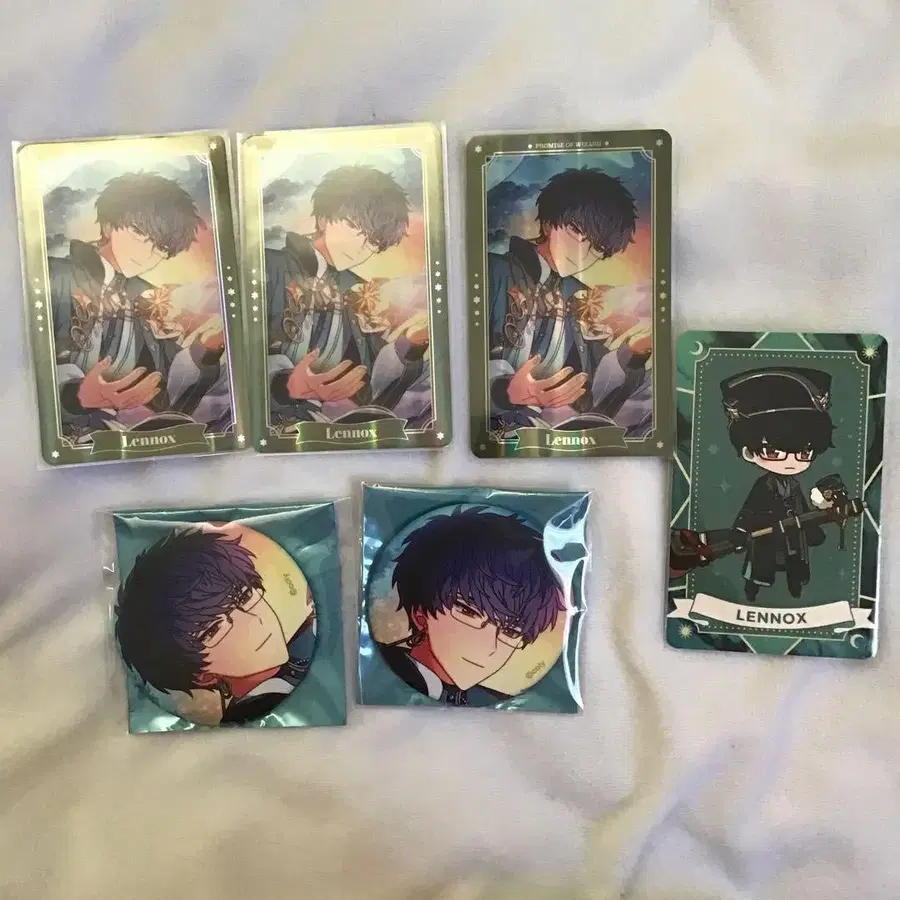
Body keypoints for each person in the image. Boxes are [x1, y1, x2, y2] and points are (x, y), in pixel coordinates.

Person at [50, 172, 229, 439]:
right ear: (108, 226)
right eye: (138, 232)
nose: (146, 254)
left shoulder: (145, 298)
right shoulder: (56, 276)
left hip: (123, 433)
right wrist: (74, 396)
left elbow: (166, 389)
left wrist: (206, 350)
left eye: (160, 247)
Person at [487, 167, 652, 436]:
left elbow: (595, 377)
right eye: (575, 231)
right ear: (548, 222)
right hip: (500, 427)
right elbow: (461, 360)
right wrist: (504, 392)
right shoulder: (493, 272)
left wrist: (634, 353)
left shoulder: (580, 296)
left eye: (597, 248)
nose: (581, 252)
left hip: (558, 425)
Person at [265, 165, 430, 429]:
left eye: (373, 241)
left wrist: (410, 346)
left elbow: (372, 374)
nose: (360, 247)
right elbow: (242, 356)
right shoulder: (270, 267)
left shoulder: (357, 291)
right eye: (353, 226)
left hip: (330, 422)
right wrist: (283, 386)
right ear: (323, 219)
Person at [115, 529, 315, 725]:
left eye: (244, 596)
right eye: (213, 629)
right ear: (202, 676)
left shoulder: (306, 636)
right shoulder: (248, 710)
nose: (251, 619)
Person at [378, 508, 566, 706]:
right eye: (468, 612)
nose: (489, 648)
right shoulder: (380, 679)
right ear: (420, 613)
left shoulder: (493, 700)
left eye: (511, 631)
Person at [721, 367, 835, 603]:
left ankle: (796, 590)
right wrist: (740, 530)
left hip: (792, 534)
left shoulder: (794, 485)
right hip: (767, 535)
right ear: (749, 452)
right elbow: (749, 509)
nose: (791, 462)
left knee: (795, 564)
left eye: (804, 452)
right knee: (762, 567)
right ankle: (752, 591)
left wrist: (812, 528)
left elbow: (802, 508)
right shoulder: (763, 485)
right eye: (774, 452)